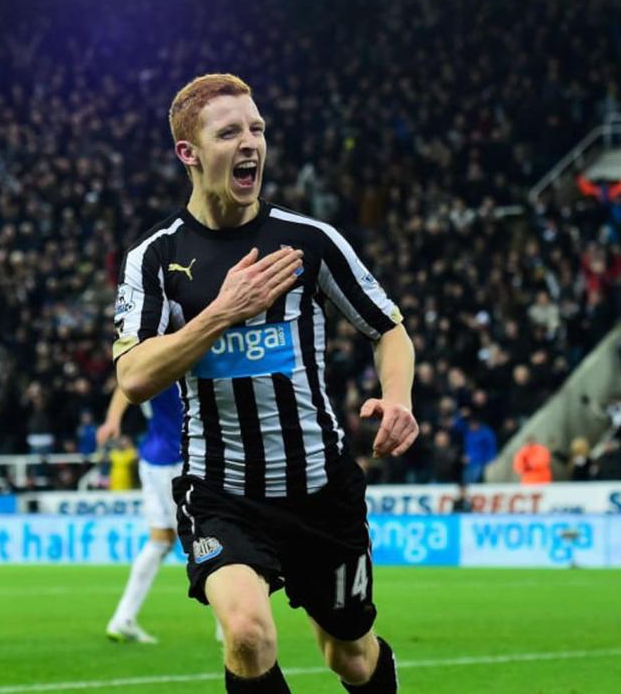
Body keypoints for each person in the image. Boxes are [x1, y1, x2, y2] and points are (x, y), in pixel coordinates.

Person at [113, 73, 419, 693]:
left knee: (351, 658)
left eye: (256, 129)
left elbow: (388, 328)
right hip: (221, 493)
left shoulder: (309, 241)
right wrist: (222, 312)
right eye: (229, 132)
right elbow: (134, 375)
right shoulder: (155, 258)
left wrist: (398, 398)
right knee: (248, 635)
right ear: (189, 152)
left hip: (320, 490)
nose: (250, 142)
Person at [98, 385, 183, 644]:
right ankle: (227, 625)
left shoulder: (147, 362)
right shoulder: (177, 362)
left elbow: (126, 382)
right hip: (178, 458)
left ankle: (123, 619)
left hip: (152, 458)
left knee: (161, 541)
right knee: (207, 539)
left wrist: (112, 420)